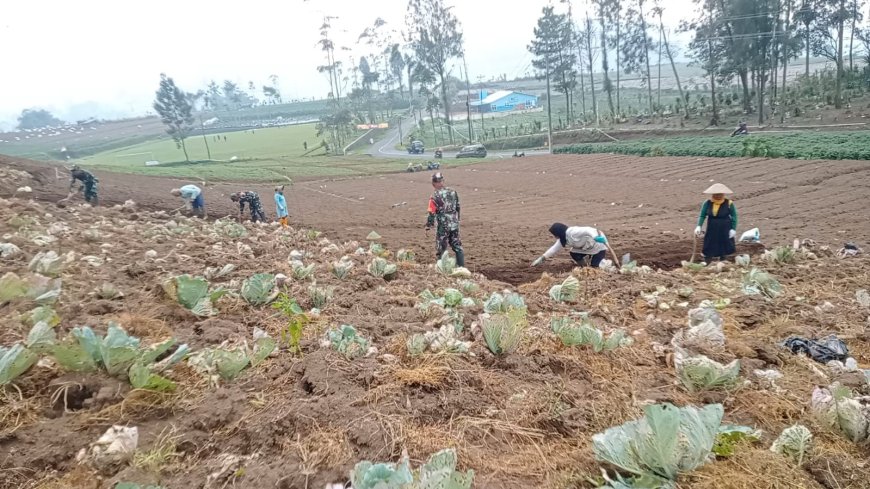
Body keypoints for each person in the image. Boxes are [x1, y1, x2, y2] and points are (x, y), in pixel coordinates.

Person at [425, 172, 465, 266]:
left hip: (443, 226)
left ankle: (442, 269)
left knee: (441, 248)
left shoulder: (434, 197)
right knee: (457, 246)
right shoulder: (453, 192)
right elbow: (458, 207)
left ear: (433, 183)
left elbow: (431, 213)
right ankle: (462, 267)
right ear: (443, 181)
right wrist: (456, 219)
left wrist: (428, 226)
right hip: (454, 223)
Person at [531, 223, 610, 268]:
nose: (555, 237)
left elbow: (587, 230)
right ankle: (584, 267)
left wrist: (595, 237)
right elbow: (553, 249)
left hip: (598, 243)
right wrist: (541, 258)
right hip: (586, 247)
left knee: (596, 266)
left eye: (555, 235)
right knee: (574, 253)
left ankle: (608, 266)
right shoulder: (564, 238)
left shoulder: (572, 232)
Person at [694, 183, 738, 262]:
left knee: (724, 243)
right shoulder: (707, 203)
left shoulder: (729, 203)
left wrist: (733, 229)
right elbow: (702, 215)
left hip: (725, 226)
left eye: (720, 194)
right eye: (716, 194)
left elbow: (734, 216)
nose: (718, 196)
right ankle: (707, 260)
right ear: (713, 194)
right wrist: (699, 226)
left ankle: (723, 260)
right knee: (709, 243)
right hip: (712, 226)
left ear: (723, 194)